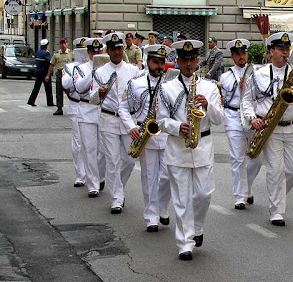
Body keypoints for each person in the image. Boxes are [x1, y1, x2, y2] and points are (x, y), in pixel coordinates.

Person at [157, 40, 224, 260]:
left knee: (204, 194)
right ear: (178, 60)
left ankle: (197, 227)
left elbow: (218, 119)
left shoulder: (209, 87)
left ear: (197, 61)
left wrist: (208, 105)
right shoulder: (167, 88)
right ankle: (184, 242)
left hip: (202, 146)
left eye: (192, 59)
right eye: (184, 60)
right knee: (181, 198)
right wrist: (178, 127)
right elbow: (161, 121)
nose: (188, 64)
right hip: (177, 148)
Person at [241, 31, 293, 227]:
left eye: (287, 49)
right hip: (270, 128)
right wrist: (252, 119)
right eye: (281, 49)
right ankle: (276, 210)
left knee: (292, 170)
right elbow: (247, 100)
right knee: (275, 170)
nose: (285, 53)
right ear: (272, 50)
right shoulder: (258, 75)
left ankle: (278, 198)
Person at [119, 44, 172, 232]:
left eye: (162, 63)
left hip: (166, 134)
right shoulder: (135, 83)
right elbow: (123, 108)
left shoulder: (170, 84)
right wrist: (131, 127)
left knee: (166, 177)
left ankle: (162, 207)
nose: (159, 66)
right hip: (144, 133)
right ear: (148, 62)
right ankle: (151, 217)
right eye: (156, 62)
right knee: (149, 177)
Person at [89, 32, 141, 214]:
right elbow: (92, 98)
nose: (117, 52)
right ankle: (117, 197)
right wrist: (99, 94)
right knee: (112, 160)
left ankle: (119, 186)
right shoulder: (100, 72)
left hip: (128, 120)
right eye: (113, 49)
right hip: (109, 118)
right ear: (108, 51)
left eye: (119, 48)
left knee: (129, 159)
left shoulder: (133, 70)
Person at [218, 38, 262, 210]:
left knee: (256, 158)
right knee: (238, 157)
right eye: (237, 54)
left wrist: (249, 86)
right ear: (233, 56)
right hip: (233, 115)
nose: (241, 56)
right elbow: (224, 98)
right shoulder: (226, 76)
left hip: (253, 116)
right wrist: (239, 87)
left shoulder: (257, 72)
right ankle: (240, 197)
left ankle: (247, 186)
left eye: (243, 53)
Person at [72, 38, 107, 197]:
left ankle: (99, 176)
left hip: (103, 109)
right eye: (93, 51)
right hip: (86, 109)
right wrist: (93, 71)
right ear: (88, 52)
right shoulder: (80, 68)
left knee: (104, 150)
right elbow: (79, 88)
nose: (96, 54)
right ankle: (92, 184)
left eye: (99, 51)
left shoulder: (107, 68)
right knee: (90, 149)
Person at [62, 41, 89, 187]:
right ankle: (80, 175)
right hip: (76, 105)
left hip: (91, 106)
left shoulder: (94, 65)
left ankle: (94, 174)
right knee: (78, 142)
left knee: (93, 144)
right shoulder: (70, 67)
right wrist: (77, 76)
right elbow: (65, 84)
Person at [45, 37, 74, 115]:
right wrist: (48, 75)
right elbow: (52, 65)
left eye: (65, 43)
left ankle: (74, 106)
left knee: (70, 91)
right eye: (62, 43)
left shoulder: (71, 53)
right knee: (59, 91)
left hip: (69, 74)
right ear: (60, 44)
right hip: (60, 73)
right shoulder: (56, 54)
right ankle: (59, 108)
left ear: (67, 44)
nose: (63, 45)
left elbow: (76, 64)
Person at [27, 39, 54, 107]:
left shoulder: (38, 52)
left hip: (38, 72)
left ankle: (31, 100)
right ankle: (50, 102)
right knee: (48, 88)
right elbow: (51, 61)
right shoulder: (45, 53)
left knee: (36, 87)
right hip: (45, 72)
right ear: (46, 45)